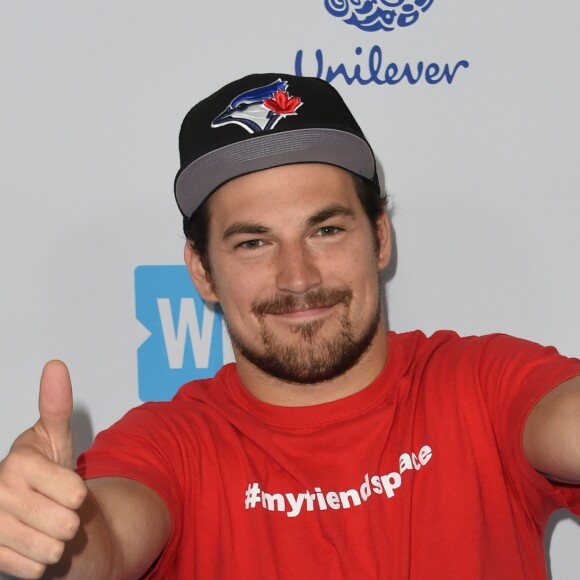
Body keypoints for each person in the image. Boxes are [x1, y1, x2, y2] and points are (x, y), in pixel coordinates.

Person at [0, 72, 579, 580]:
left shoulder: (481, 384)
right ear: (202, 271)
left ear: (379, 237)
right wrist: (54, 534)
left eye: (325, 231)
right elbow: (104, 543)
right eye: (254, 243)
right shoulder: (170, 444)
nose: (298, 278)